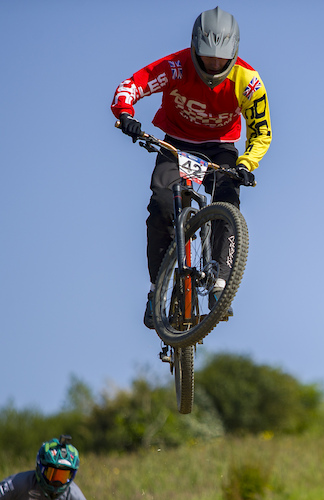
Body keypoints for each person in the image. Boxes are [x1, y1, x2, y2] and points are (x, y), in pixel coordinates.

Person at [111, 6, 272, 328]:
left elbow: (262, 132)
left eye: (221, 60)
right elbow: (133, 85)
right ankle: (157, 289)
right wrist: (125, 114)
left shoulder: (249, 82)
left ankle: (219, 285)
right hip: (175, 143)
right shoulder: (175, 66)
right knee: (160, 206)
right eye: (207, 58)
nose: (213, 65)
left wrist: (246, 163)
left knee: (228, 203)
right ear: (194, 48)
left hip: (220, 149)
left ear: (234, 54)